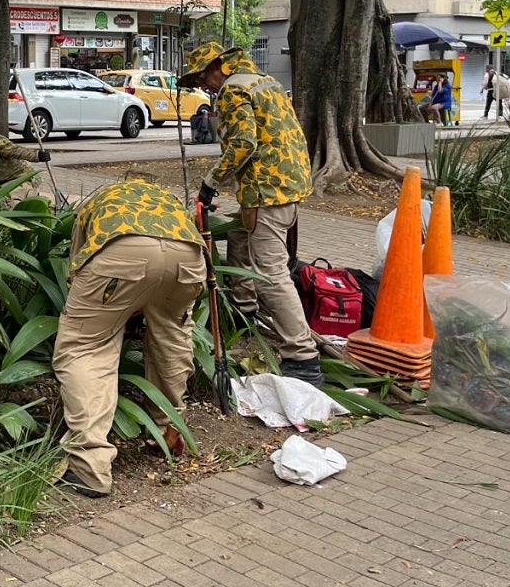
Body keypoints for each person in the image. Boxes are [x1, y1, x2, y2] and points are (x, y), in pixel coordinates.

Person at [179, 41, 323, 386]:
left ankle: (302, 356)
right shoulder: (265, 83)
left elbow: (243, 144)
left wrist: (210, 184)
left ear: (220, 66)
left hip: (268, 194)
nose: (204, 87)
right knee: (241, 242)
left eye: (203, 78)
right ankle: (243, 312)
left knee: (269, 273)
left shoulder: (232, 91)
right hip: (287, 187)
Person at [53, 179, 207, 498]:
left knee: (86, 347)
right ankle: (167, 430)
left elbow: (79, 267)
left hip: (121, 249)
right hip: (189, 257)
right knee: (173, 339)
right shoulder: (168, 200)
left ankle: (89, 466)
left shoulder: (101, 201)